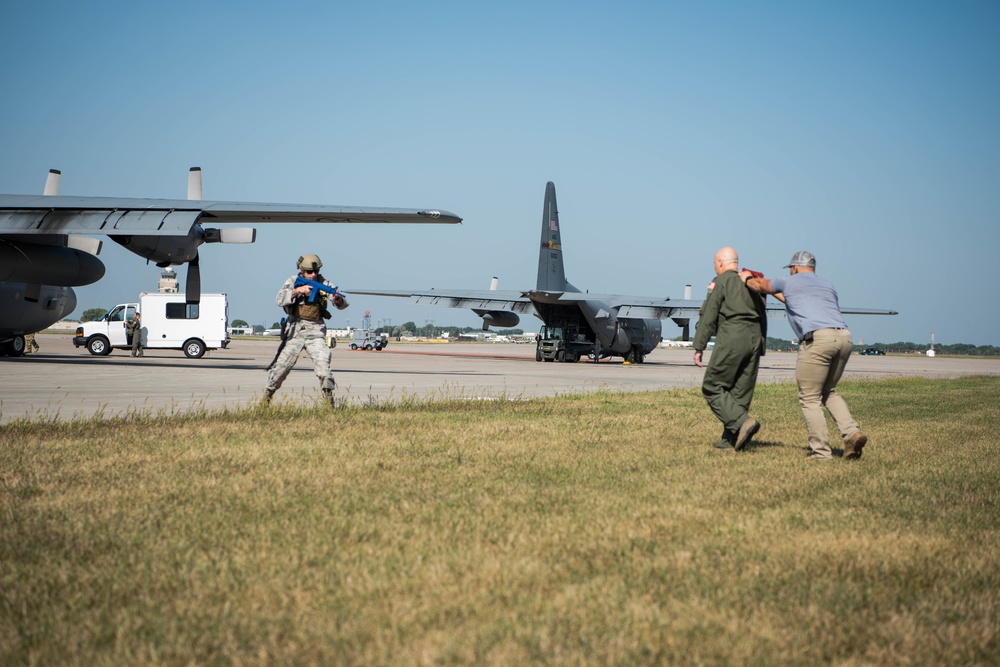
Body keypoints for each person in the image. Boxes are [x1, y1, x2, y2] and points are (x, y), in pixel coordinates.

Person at [742, 251, 868, 461]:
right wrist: (776, 292)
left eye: (791, 269)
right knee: (828, 391)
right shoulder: (827, 285)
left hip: (818, 339)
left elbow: (760, 285)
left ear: (796, 268)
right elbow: (793, 300)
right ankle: (852, 433)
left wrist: (746, 278)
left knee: (810, 398)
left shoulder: (789, 281)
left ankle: (820, 452)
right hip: (844, 337)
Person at [692, 247, 767, 451]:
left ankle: (742, 422)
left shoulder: (722, 282)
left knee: (712, 386)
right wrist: (761, 345)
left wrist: (699, 346)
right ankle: (731, 440)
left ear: (721, 263)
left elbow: (709, 315)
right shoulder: (753, 280)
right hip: (754, 338)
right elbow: (763, 313)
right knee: (740, 392)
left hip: (732, 335)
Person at [264, 253, 348, 407]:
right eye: (309, 272)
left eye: (315, 272)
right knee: (280, 370)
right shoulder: (293, 281)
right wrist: (298, 291)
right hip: (295, 331)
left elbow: (342, 305)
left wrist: (337, 298)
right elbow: (279, 300)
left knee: (324, 368)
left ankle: (329, 404)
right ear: (301, 270)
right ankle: (266, 400)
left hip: (315, 332)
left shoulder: (325, 283)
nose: (313, 275)